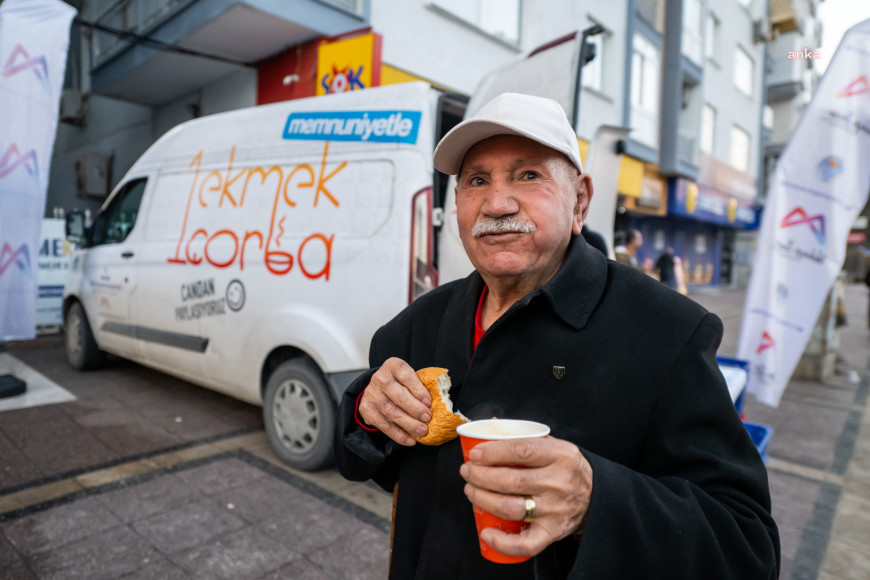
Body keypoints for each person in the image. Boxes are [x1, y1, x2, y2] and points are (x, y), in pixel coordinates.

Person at [335, 93, 779, 578]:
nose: (497, 203)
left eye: (528, 175)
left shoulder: (668, 333)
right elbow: (364, 462)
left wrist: (595, 501)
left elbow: (747, 545)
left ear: (580, 200)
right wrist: (367, 412)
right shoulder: (417, 323)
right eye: (476, 180)